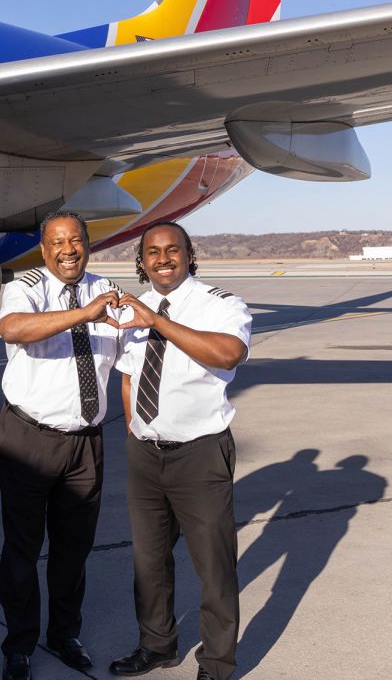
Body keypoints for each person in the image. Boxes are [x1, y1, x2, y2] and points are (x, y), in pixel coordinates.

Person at [109, 222, 252, 680]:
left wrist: (159, 323)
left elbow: (228, 354)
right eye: (153, 251)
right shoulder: (132, 310)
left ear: (190, 256)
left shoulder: (220, 304)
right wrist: (134, 430)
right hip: (147, 455)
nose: (163, 258)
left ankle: (216, 663)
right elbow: (130, 375)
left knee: (214, 568)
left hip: (200, 454)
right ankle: (157, 646)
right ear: (142, 260)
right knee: (148, 562)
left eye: (173, 250)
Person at [0, 210, 123, 680]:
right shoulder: (27, 286)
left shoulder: (107, 288)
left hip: (86, 441)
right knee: (23, 549)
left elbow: (130, 351)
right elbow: (11, 329)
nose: (68, 250)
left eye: (76, 241)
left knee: (74, 548)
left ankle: (65, 633)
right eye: (58, 242)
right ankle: (19, 645)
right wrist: (85, 313)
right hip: (30, 438)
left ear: (88, 244)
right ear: (45, 249)